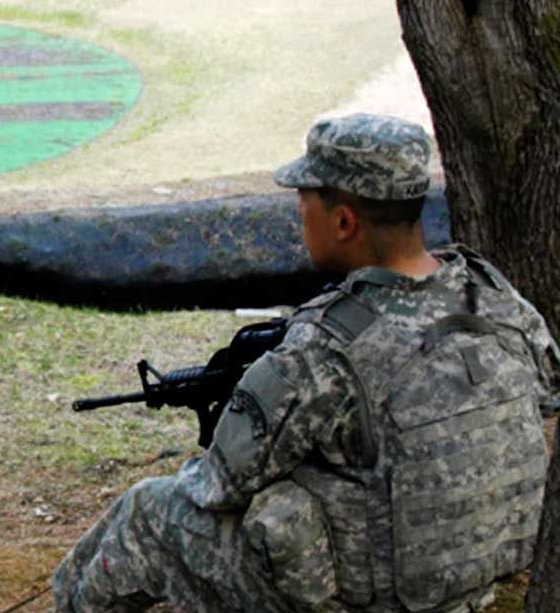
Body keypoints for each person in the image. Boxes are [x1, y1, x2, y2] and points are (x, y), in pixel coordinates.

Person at [51, 113, 560, 613]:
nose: (300, 215)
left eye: (304, 202)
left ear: (343, 222)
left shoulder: (326, 344)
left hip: (372, 598)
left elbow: (219, 484)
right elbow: (542, 396)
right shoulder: (493, 296)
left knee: (146, 512)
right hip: (465, 582)